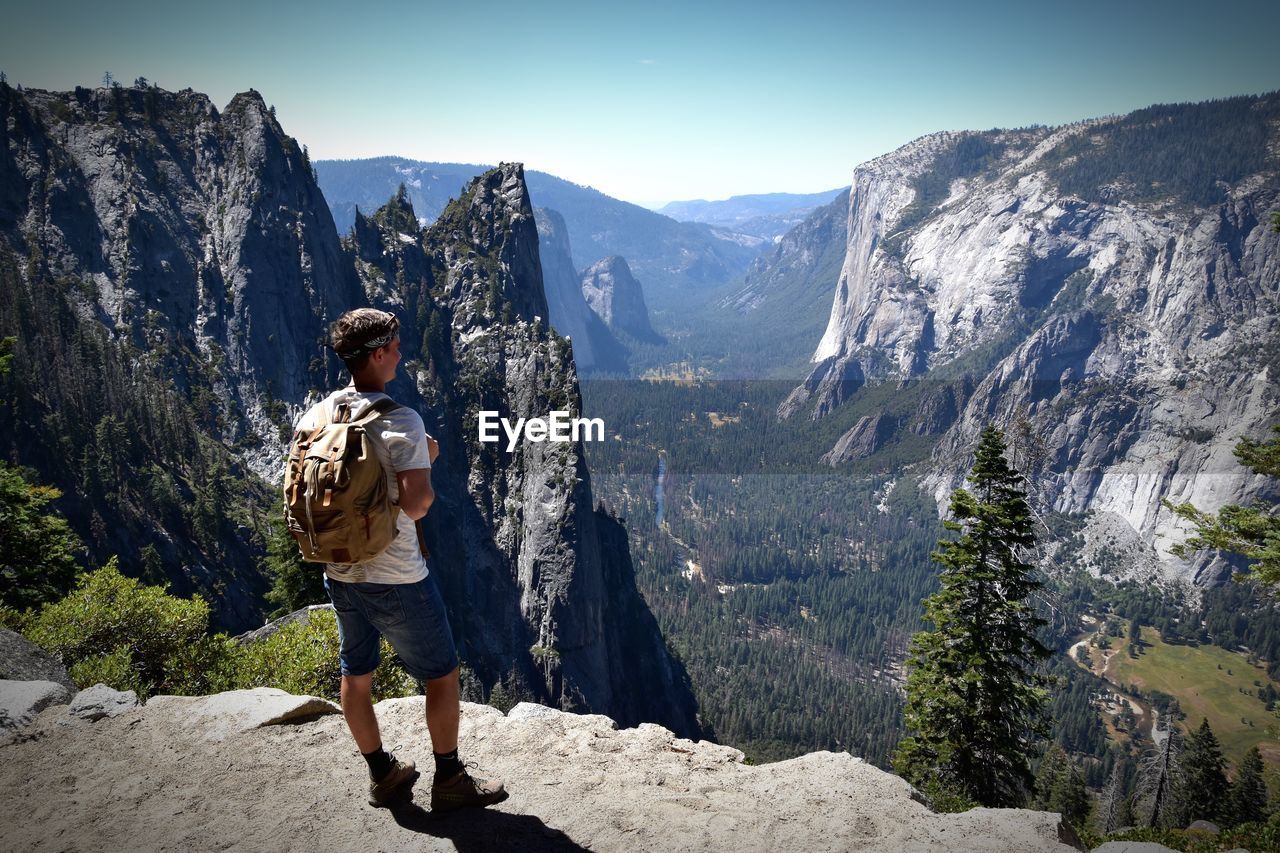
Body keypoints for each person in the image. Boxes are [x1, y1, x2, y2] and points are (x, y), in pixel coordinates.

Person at [296, 307, 507, 811]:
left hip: (339, 572)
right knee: (442, 674)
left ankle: (382, 774)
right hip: (398, 576)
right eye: (393, 345)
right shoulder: (401, 420)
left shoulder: (317, 414)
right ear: (375, 354)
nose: (400, 352)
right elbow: (416, 505)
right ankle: (450, 778)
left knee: (356, 674)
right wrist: (425, 461)